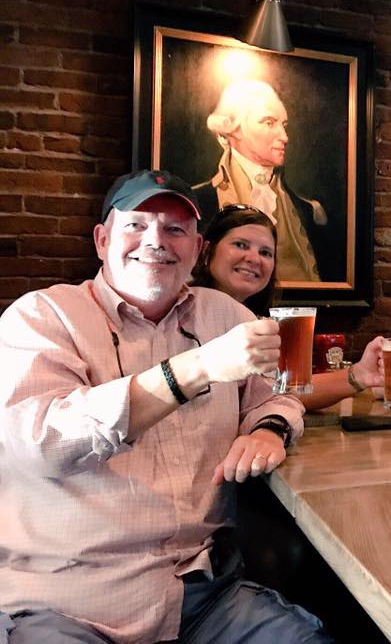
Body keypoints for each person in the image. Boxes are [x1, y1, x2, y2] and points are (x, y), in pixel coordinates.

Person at [0, 170, 331, 643]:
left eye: (175, 229)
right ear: (102, 239)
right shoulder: (42, 317)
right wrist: (196, 369)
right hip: (66, 601)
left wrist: (269, 428)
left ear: (196, 249)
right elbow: (44, 444)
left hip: (204, 595)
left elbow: (278, 394)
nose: (156, 241)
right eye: (136, 224)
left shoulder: (225, 315)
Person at [192, 203, 383, 409]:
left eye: (266, 252)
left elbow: (282, 391)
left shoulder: (254, 323)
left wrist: (360, 374)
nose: (254, 258)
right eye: (240, 245)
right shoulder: (184, 314)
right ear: (207, 250)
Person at [196, 79, 328, 283]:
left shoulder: (310, 212)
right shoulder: (198, 202)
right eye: (269, 123)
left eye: (284, 125)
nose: (284, 137)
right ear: (233, 129)